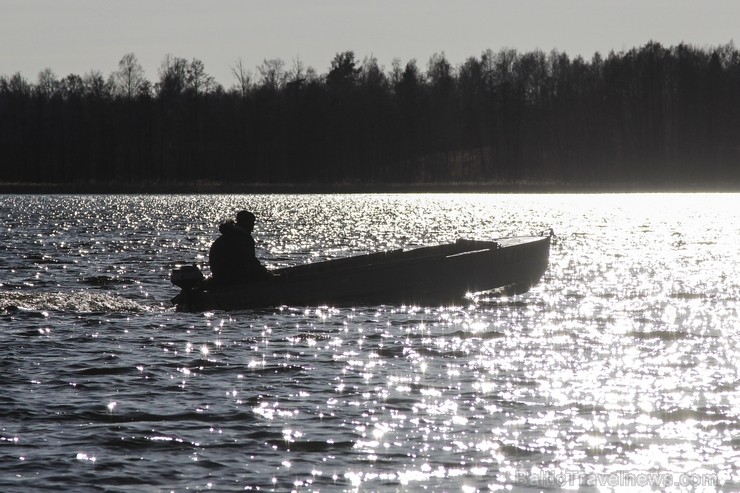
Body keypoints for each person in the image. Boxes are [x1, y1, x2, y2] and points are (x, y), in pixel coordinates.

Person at [208, 210, 270, 285]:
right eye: (251, 223)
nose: (253, 227)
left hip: (219, 277)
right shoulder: (243, 239)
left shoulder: (227, 236)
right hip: (232, 279)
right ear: (246, 223)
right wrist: (265, 272)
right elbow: (250, 262)